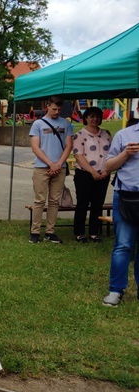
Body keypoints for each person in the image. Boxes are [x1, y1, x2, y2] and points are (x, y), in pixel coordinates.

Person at [102, 120, 139, 307]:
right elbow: (108, 166)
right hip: (126, 196)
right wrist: (126, 153)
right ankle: (115, 290)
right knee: (123, 245)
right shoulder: (124, 135)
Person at [29, 96, 73, 243]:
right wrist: (50, 163)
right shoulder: (38, 124)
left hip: (59, 167)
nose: (56, 112)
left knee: (54, 201)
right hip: (42, 167)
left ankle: (50, 231)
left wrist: (59, 164)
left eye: (59, 110)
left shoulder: (66, 123)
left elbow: (69, 145)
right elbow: (35, 147)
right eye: (54, 109)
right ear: (47, 106)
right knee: (39, 200)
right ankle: (35, 232)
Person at [72, 107, 111, 243]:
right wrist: (92, 172)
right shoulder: (80, 134)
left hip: (104, 174)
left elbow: (112, 154)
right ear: (86, 118)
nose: (95, 119)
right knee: (83, 203)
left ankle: (94, 232)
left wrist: (107, 170)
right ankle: (79, 232)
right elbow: (78, 155)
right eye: (92, 116)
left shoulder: (106, 134)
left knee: (97, 204)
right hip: (85, 174)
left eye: (98, 116)